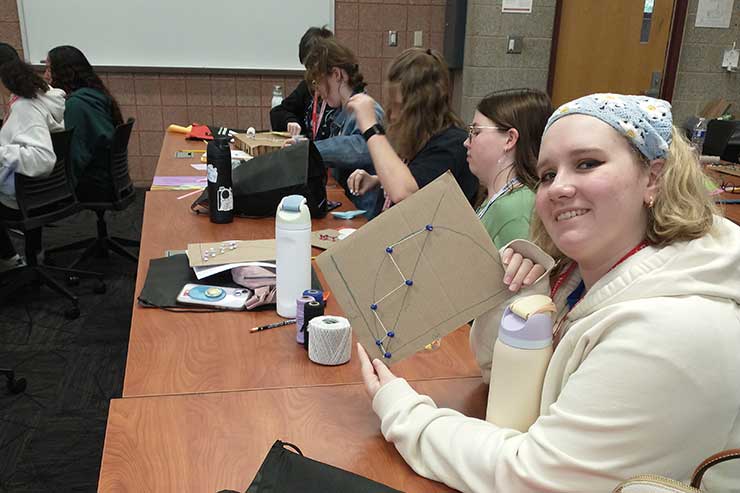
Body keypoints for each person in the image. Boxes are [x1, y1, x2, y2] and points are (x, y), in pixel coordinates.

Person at [357, 93, 740, 492]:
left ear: (653, 178)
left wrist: (403, 412)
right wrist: (518, 293)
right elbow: (495, 375)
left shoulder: (671, 329)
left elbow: (534, 477)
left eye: (587, 163)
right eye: (547, 174)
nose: (558, 188)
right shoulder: (579, 279)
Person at [346, 48, 478, 218]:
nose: (392, 115)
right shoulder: (420, 137)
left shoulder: (452, 144)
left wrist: (370, 127)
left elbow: (405, 193)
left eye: (398, 106)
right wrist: (378, 180)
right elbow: (421, 176)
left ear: (421, 107)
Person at [0, 43, 65, 272]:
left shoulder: (25, 107)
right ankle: (33, 253)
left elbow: (42, 158)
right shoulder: (41, 96)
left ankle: (8, 259)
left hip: (26, 198)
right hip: (47, 192)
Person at [302, 37, 384, 214]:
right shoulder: (342, 113)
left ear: (337, 75)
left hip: (365, 215)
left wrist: (309, 151)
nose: (317, 92)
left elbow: (363, 147)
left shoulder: (368, 110)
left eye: (317, 82)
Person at [465, 89, 551, 248]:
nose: (466, 143)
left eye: (476, 132)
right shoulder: (497, 198)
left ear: (510, 139)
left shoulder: (516, 208)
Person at [45, 45, 123, 202]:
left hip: (94, 183)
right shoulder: (95, 94)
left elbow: (75, 156)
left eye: (48, 69)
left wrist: (60, 192)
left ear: (62, 72)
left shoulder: (76, 105)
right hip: (106, 177)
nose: (45, 76)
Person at [269, 26, 337, 141]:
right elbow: (278, 112)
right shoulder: (307, 86)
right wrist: (291, 121)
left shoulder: (340, 95)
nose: (311, 74)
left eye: (313, 67)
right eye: (307, 67)